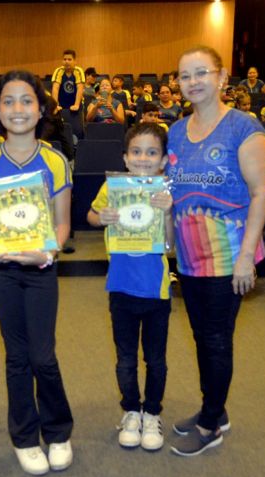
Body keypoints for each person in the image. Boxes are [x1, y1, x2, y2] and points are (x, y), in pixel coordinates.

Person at [0, 70, 74, 476]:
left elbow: (63, 225)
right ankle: (25, 437)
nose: (18, 109)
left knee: (43, 356)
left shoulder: (55, 159)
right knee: (16, 355)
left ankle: (59, 430)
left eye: (26, 100)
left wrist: (48, 251)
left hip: (42, 269)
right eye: (8, 101)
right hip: (1, 270)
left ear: (41, 107)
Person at [167, 45, 265, 456]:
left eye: (201, 73)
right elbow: (173, 190)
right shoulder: (176, 131)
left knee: (215, 339)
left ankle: (211, 425)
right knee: (201, 335)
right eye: (184, 75)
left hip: (229, 254)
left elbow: (261, 193)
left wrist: (247, 257)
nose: (192, 82)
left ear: (223, 78)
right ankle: (214, 408)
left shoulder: (245, 129)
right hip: (190, 254)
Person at [87, 123, 174, 451]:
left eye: (152, 152)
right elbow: (91, 216)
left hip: (156, 290)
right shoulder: (113, 188)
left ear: (163, 160)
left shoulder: (165, 192)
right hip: (121, 288)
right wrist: (103, 218)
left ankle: (152, 412)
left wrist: (167, 214)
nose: (143, 158)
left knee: (156, 358)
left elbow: (170, 247)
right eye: (136, 152)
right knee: (125, 358)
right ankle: (131, 411)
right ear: (125, 157)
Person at [51, 49, 85, 138]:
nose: (66, 62)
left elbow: (80, 88)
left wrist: (76, 105)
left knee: (77, 131)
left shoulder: (78, 71)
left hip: (75, 105)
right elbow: (55, 88)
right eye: (65, 59)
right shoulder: (58, 71)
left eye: (69, 59)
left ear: (75, 61)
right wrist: (55, 105)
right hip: (62, 105)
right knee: (60, 131)